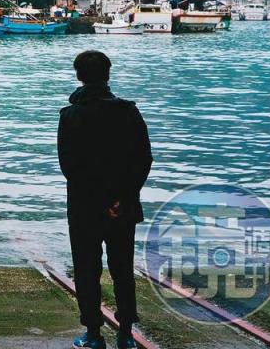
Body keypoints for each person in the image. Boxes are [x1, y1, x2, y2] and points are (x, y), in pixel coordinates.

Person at [58, 51, 152, 349]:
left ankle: (94, 335)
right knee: (123, 269)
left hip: (85, 208)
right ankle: (125, 335)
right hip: (120, 208)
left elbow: (69, 167)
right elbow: (143, 159)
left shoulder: (70, 116)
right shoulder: (129, 112)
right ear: (107, 75)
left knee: (87, 270)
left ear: (79, 76)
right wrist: (121, 198)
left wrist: (97, 199)